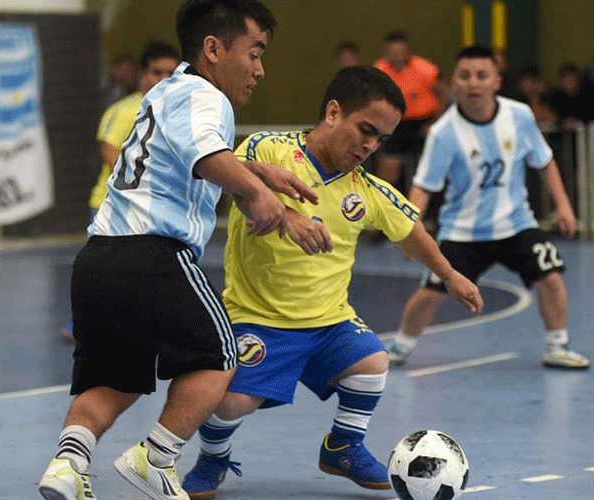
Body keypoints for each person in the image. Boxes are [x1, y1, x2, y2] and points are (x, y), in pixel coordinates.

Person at [38, 1, 321, 499]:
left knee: (115, 380)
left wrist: (258, 171)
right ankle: (157, 457)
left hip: (99, 259)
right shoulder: (206, 96)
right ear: (213, 48)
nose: (259, 70)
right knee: (220, 356)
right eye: (254, 53)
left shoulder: (166, 91)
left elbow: (187, 152)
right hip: (154, 256)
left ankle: (67, 464)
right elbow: (206, 155)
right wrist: (259, 193)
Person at [181, 66, 483, 499]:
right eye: (366, 130)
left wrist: (450, 275)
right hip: (259, 316)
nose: (371, 145)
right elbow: (239, 188)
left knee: (372, 362)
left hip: (329, 321)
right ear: (333, 112)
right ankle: (213, 458)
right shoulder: (269, 148)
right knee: (230, 404)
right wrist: (286, 217)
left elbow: (410, 231)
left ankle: (343, 447)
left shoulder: (368, 190)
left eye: (381, 139)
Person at [386, 46, 589, 370]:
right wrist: (408, 232)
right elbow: (423, 186)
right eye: (465, 76)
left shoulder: (519, 116)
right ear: (454, 82)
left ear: (496, 81)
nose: (473, 83)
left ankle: (557, 345)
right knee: (431, 292)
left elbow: (545, 161)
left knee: (551, 278)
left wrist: (564, 205)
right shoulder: (443, 132)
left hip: (516, 224)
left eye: (482, 75)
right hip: (462, 232)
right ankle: (400, 346)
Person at [61, 40, 180, 343]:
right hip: (110, 205)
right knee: (103, 270)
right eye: (157, 72)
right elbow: (110, 151)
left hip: (150, 207)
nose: (163, 79)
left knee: (147, 269)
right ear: (142, 74)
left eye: (170, 73)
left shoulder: (176, 114)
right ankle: (79, 325)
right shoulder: (124, 111)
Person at [373, 32, 446, 194]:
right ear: (386, 52)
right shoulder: (379, 70)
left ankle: (430, 203)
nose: (397, 55)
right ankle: (386, 201)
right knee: (388, 170)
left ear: (407, 51)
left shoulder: (425, 68)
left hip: (424, 123)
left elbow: (443, 94)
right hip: (395, 124)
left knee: (428, 168)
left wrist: (436, 122)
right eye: (393, 51)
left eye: (400, 51)